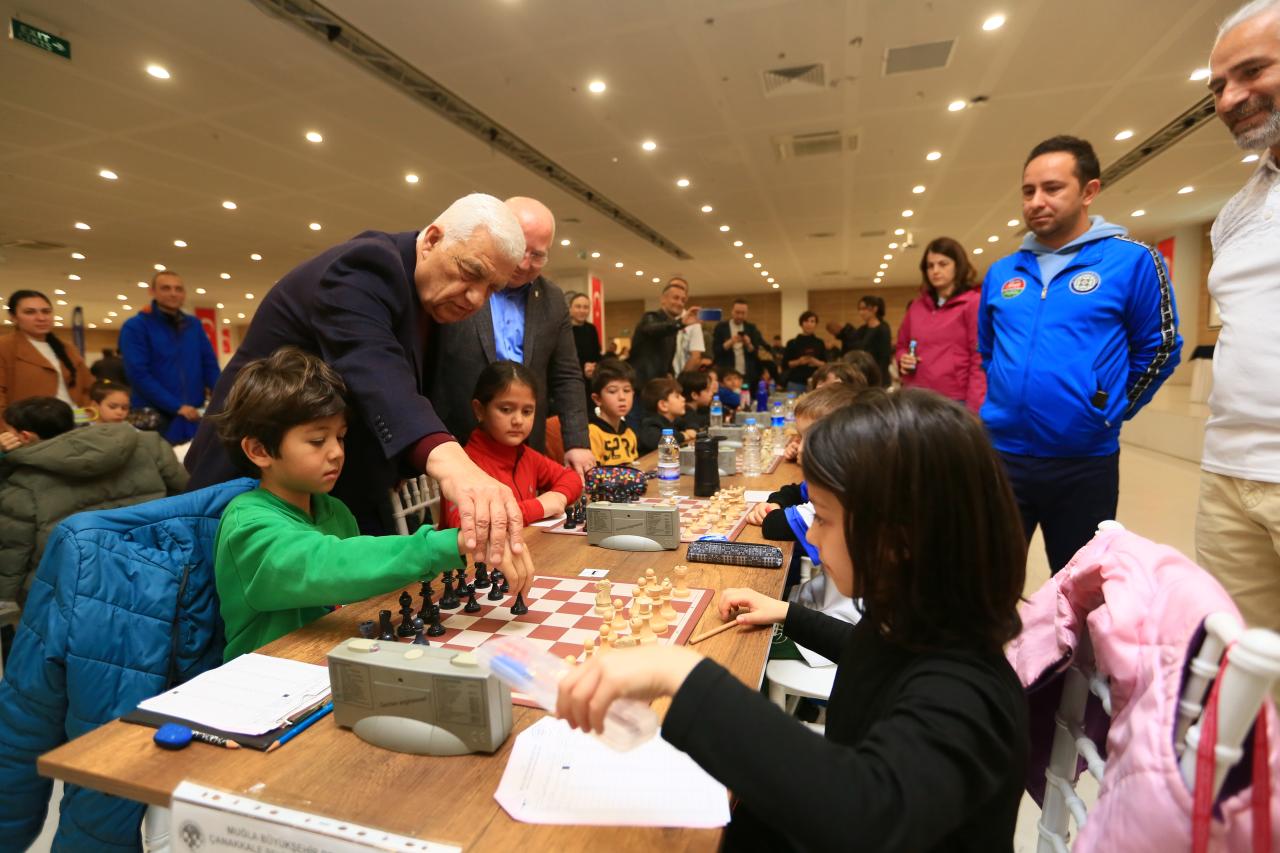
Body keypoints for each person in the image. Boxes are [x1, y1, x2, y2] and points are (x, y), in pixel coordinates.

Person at [556, 389, 1029, 851]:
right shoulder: (912, 621)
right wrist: (789, 613)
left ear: (897, 539)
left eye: (822, 517)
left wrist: (678, 673)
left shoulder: (969, 693)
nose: (814, 537)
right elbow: (869, 653)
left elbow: (864, 814)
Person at [185, 193, 532, 569]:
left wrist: (404, 466)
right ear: (432, 240)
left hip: (335, 488)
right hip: (252, 478)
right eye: (470, 272)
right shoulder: (366, 266)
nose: (477, 298)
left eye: (492, 288)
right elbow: (373, 369)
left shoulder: (437, 301)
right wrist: (455, 466)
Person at [210, 348, 531, 662]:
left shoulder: (334, 511)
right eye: (318, 440)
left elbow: (362, 584)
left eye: (341, 437)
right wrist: (454, 544)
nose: (336, 452)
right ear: (259, 450)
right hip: (267, 688)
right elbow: (331, 565)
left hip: (330, 664)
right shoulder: (247, 523)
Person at [979, 135, 1181, 573]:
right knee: (987, 577)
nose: (1036, 201)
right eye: (1028, 191)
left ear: (1089, 191)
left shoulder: (1131, 260)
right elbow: (989, 352)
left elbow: (1161, 346)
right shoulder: (1002, 272)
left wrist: (1108, 412)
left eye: (1052, 188)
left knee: (1077, 586)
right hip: (1003, 457)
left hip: (1083, 462)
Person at [1197, 0, 1280, 641]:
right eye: (1219, 84)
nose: (1230, 98)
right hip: (1230, 474)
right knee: (1242, 669)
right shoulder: (1235, 212)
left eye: (1253, 71)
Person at [426, 198, 593, 479]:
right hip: (456, 439)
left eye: (538, 255)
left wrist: (577, 441)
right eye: (520, 249)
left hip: (525, 446)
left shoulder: (553, 299)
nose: (525, 263)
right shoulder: (461, 282)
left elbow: (566, 375)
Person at [0, 397, 187, 604]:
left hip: (67, 589)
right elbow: (185, 495)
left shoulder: (22, 481)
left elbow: (13, 551)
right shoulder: (148, 445)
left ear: (25, 437)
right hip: (152, 568)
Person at [443, 361, 581, 527]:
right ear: (479, 410)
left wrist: (558, 497)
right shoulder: (464, 465)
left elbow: (571, 478)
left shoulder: (526, 455)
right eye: (506, 409)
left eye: (527, 411)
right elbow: (465, 525)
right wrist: (539, 506)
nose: (518, 421)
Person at [118, 271, 221, 446]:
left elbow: (209, 364)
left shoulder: (193, 325)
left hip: (193, 416)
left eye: (178, 289)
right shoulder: (135, 326)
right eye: (166, 288)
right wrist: (176, 406)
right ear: (152, 292)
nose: (173, 293)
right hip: (155, 417)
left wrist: (223, 396)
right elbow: (138, 374)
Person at [895, 237, 986, 412]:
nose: (935, 271)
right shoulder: (916, 306)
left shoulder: (973, 303)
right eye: (930, 266)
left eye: (943, 264)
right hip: (915, 397)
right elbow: (901, 346)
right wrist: (903, 358)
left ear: (958, 266)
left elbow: (979, 359)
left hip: (954, 400)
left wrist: (975, 409)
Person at [0, 290, 93, 432]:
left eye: (46, 311)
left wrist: (89, 414)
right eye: (30, 312)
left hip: (76, 425)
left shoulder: (67, 348)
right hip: (30, 431)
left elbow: (89, 387)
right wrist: (8, 431)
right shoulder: (5, 347)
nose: (41, 318)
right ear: (13, 317)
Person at [627, 279, 702, 386]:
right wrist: (680, 323)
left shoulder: (673, 327)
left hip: (659, 387)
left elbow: (667, 359)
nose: (680, 303)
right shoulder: (650, 317)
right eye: (676, 298)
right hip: (642, 387)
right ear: (663, 299)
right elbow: (654, 329)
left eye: (683, 300)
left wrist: (671, 375)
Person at [827, 296, 892, 387]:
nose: (861, 312)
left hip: (878, 377)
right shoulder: (862, 329)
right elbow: (853, 346)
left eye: (864, 308)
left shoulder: (883, 328)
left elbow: (884, 356)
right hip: (862, 376)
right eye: (859, 309)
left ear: (874, 309)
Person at [587, 360, 639, 467]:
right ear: (597, 399)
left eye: (627, 390)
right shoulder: (592, 433)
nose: (622, 397)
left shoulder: (629, 433)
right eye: (612, 391)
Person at [712, 299, 766, 388]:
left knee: (746, 398)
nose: (740, 316)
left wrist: (748, 344)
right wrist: (730, 342)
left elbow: (755, 353)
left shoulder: (751, 328)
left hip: (747, 374)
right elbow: (716, 351)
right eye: (737, 312)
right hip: (726, 375)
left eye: (743, 313)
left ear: (747, 313)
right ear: (732, 311)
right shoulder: (721, 327)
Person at [637, 377, 696, 454]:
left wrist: (691, 430)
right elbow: (658, 441)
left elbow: (692, 424)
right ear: (663, 405)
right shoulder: (650, 423)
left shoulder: (675, 420)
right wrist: (683, 435)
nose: (683, 399)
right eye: (677, 396)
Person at [782, 311, 826, 392]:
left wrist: (816, 362)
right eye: (806, 321)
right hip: (795, 382)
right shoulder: (792, 343)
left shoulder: (820, 343)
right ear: (801, 323)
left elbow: (826, 364)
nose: (809, 324)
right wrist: (799, 361)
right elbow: (785, 364)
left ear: (816, 324)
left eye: (812, 321)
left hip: (816, 382)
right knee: (794, 404)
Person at [567, 291, 603, 382]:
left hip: (590, 378)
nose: (582, 310)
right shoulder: (564, 330)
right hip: (569, 378)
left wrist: (594, 366)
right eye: (578, 307)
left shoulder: (591, 329)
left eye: (586, 307)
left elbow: (596, 354)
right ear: (570, 309)